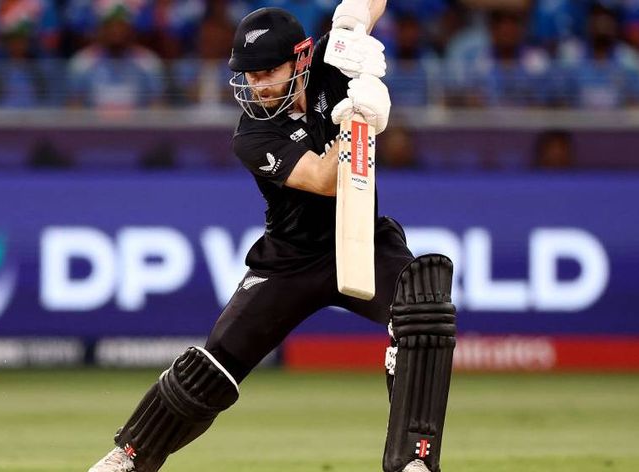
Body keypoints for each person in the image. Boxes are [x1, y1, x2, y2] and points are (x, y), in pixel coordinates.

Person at [87, 4, 457, 472]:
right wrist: (362, 116)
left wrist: (356, 28)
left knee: (421, 309)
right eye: (250, 74)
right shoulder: (251, 134)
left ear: (302, 58)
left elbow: (365, 5)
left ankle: (413, 462)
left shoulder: (335, 62)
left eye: (268, 71)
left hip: (360, 237)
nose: (258, 85)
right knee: (211, 369)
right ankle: (128, 457)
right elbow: (326, 180)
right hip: (290, 260)